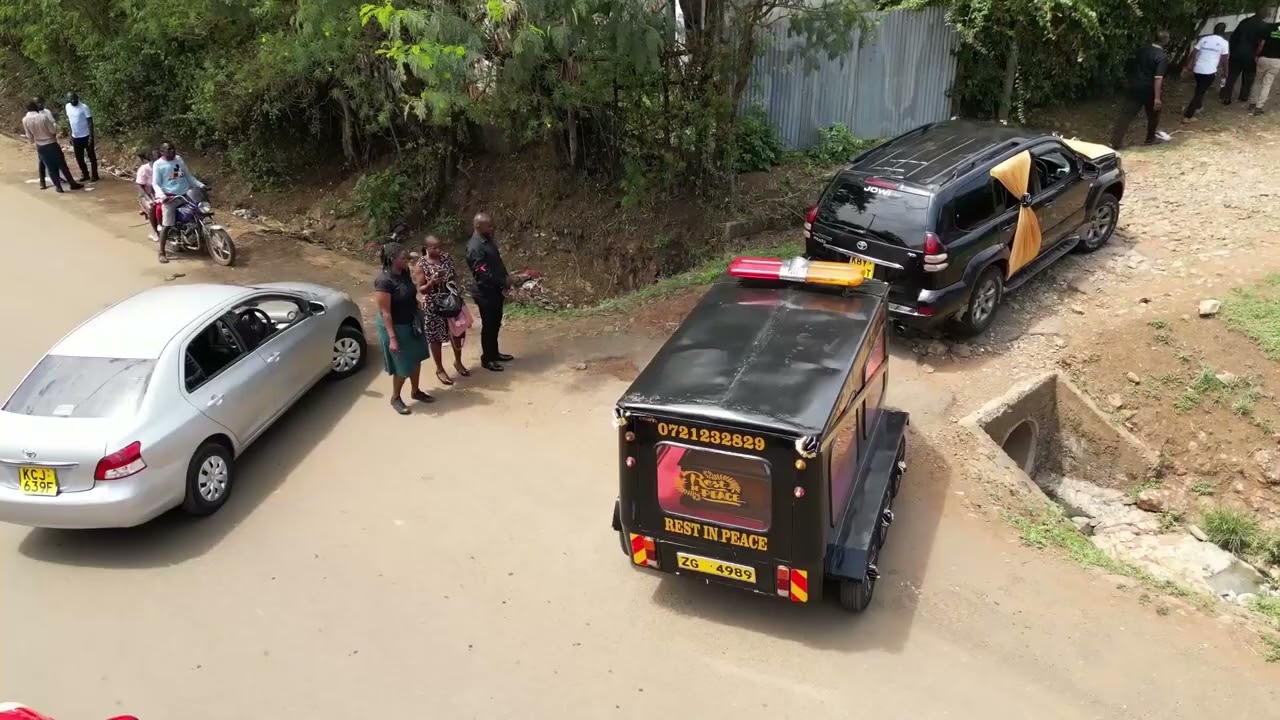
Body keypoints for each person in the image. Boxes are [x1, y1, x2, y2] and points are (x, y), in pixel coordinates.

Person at [373, 242, 434, 415]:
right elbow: (385, 313)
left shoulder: (404, 272)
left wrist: (416, 304)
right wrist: (392, 338)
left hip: (412, 322)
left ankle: (415, 391)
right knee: (402, 366)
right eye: (403, 258)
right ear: (392, 259)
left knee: (416, 358)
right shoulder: (384, 281)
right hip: (395, 327)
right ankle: (396, 397)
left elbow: (410, 291)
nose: (406, 260)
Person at [466, 213, 526, 372]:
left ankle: (494, 353)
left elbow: (496, 262)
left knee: (495, 323)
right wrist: (502, 281)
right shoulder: (475, 247)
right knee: (489, 325)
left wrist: (505, 277)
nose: (492, 228)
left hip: (494, 289)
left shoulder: (487, 240)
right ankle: (487, 359)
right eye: (489, 226)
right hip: (485, 292)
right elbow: (482, 272)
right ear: (478, 227)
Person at [416, 235, 471, 385]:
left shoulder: (446, 258)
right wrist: (432, 282)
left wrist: (458, 288)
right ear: (426, 248)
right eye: (434, 247)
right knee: (436, 338)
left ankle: (458, 362)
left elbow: (454, 276)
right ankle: (439, 368)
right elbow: (421, 290)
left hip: (451, 300)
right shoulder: (421, 264)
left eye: (439, 246)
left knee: (458, 332)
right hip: (434, 305)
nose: (438, 250)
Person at [1110, 30, 1169, 149]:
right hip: (1149, 89)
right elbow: (1158, 78)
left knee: (1126, 115)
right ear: (1165, 41)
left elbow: (1130, 66)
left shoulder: (1142, 50)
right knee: (1153, 115)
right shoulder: (1161, 56)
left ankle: (1115, 141)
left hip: (1135, 86)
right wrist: (1157, 98)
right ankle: (1150, 138)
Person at [151, 141, 205, 264]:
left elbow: (188, 176)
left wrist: (201, 185)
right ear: (162, 152)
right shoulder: (158, 164)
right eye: (169, 149)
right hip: (170, 198)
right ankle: (162, 252)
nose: (172, 151)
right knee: (167, 225)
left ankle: (200, 238)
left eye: (173, 149)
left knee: (200, 213)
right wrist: (162, 195)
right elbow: (155, 183)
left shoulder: (179, 159)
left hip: (186, 194)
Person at [20, 100, 82, 193]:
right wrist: (55, 125)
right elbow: (52, 131)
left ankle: (58, 187)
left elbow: (29, 137)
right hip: (51, 143)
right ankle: (72, 183)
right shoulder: (43, 117)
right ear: (35, 107)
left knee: (50, 167)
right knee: (62, 164)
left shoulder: (25, 120)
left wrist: (35, 141)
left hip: (40, 146)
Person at [1222, 6, 1273, 105]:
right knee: (1248, 76)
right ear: (1264, 14)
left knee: (1231, 76)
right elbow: (1263, 43)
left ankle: (1226, 97)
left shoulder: (1244, 22)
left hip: (1237, 52)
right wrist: (1259, 55)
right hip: (1251, 55)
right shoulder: (1264, 26)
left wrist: (1232, 50)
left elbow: (1233, 37)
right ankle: (1244, 96)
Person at [1182, 23, 1230, 123]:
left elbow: (1193, 53)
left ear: (1214, 30)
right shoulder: (1224, 43)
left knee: (1199, 88)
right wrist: (1225, 72)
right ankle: (1188, 116)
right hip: (1209, 71)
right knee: (1200, 92)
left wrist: (1188, 66)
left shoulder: (1204, 39)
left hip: (1198, 69)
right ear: (1224, 31)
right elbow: (1225, 60)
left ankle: (1198, 106)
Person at [63, 93, 99, 182]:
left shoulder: (84, 107)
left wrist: (91, 136)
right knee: (79, 157)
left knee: (91, 156)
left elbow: (90, 122)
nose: (73, 101)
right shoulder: (67, 107)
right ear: (68, 100)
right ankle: (85, 174)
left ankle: (95, 175)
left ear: (77, 98)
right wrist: (70, 134)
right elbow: (69, 121)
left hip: (86, 136)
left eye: (74, 100)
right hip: (75, 136)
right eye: (71, 100)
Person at [1249, 20, 1280, 115]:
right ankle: (1259, 107)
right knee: (1267, 84)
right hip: (1276, 60)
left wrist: (1257, 55)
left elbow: (1262, 43)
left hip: (1263, 58)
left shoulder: (1270, 27)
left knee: (1257, 80)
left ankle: (1252, 103)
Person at [134, 148, 160, 241]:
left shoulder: (164, 167)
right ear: (151, 159)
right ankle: (154, 231)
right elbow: (140, 186)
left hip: (161, 193)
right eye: (156, 159)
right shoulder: (144, 169)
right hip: (146, 194)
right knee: (151, 207)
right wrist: (149, 199)